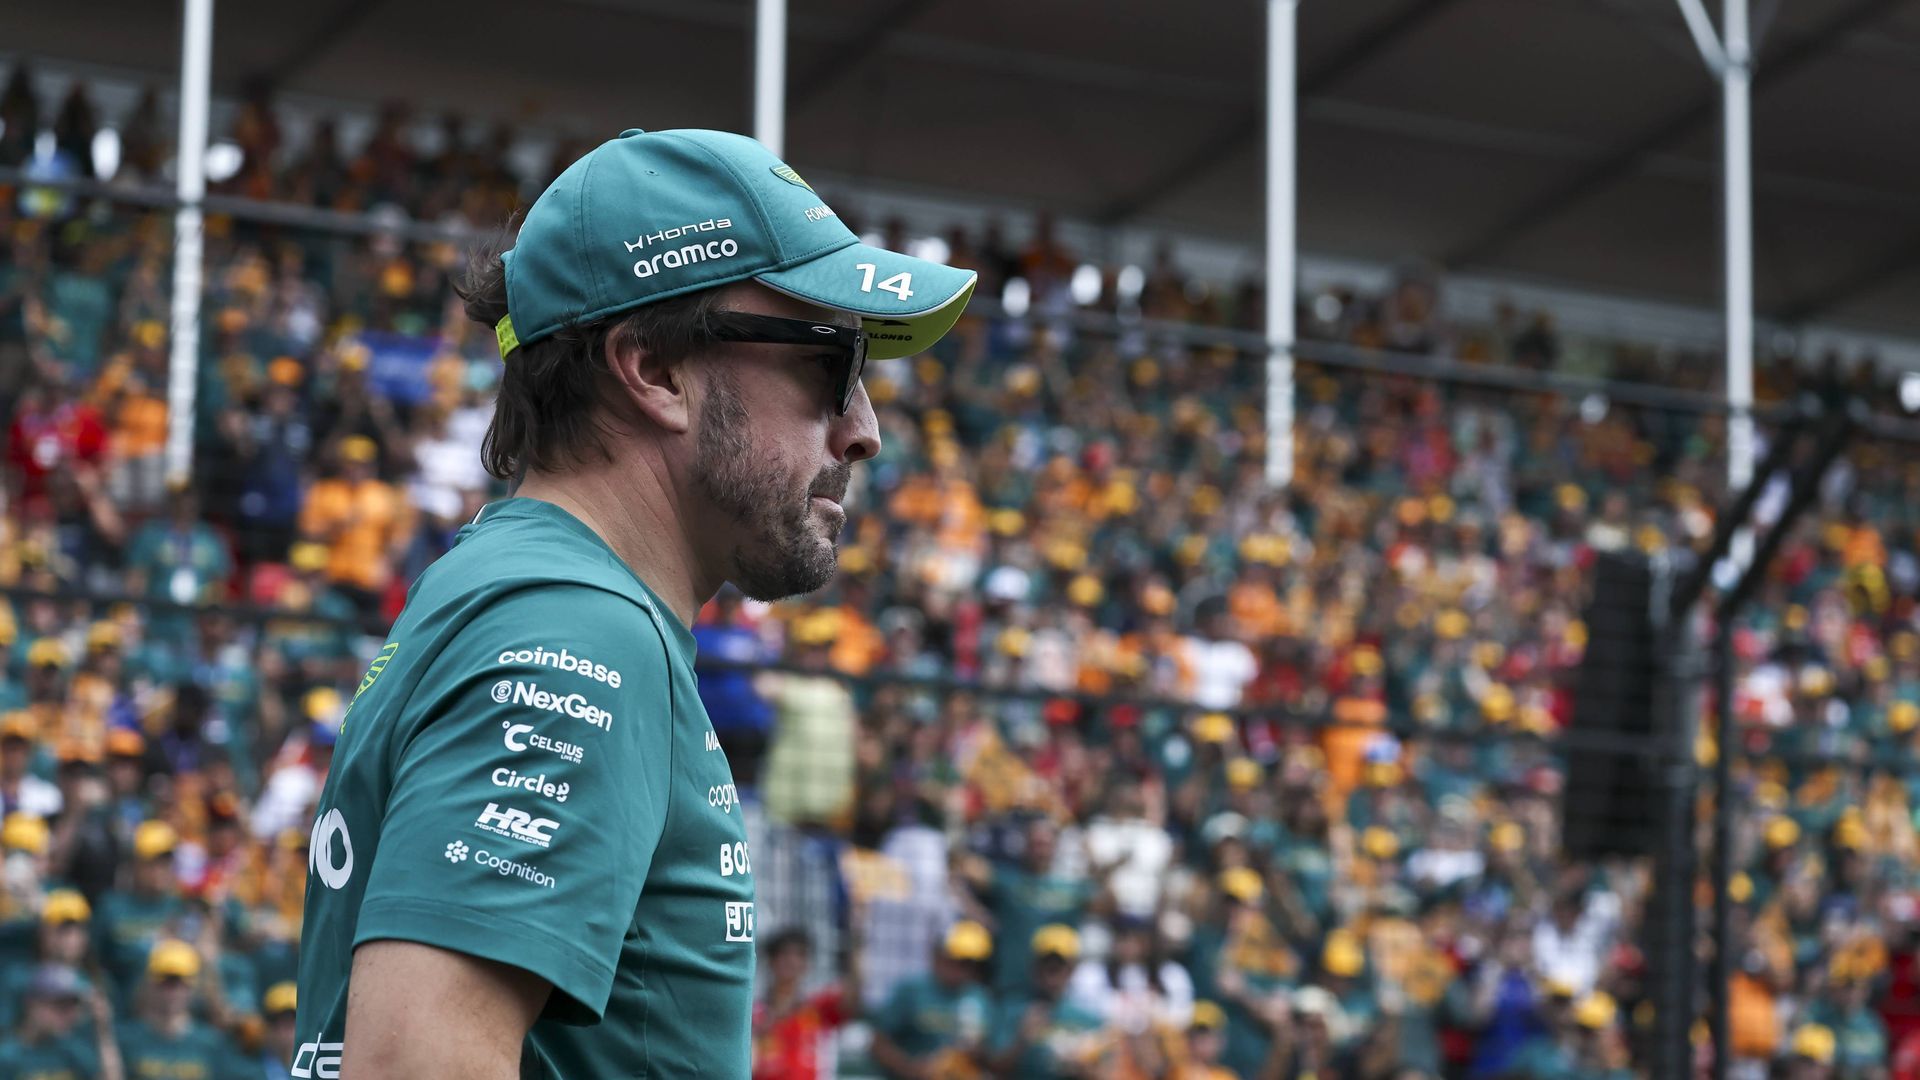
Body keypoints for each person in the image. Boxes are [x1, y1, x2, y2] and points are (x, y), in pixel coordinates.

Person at [294, 126, 976, 1079]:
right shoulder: (575, 628)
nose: (862, 431)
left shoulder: (527, 594)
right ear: (653, 371)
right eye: (831, 364)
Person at [871, 921, 995, 1079]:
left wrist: (976, 1052)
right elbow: (877, 1044)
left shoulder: (979, 997)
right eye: (956, 959)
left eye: (969, 963)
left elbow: (991, 1055)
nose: (961, 969)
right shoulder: (912, 989)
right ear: (939, 956)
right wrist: (910, 1068)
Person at [986, 924, 1105, 1079]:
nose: (1051, 978)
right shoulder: (1011, 1010)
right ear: (1034, 967)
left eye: (1058, 969)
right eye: (1046, 967)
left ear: (1072, 970)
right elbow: (994, 1068)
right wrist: (1021, 1040)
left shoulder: (1090, 1021)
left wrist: (1082, 1068)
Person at [751, 927, 854, 1080]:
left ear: (806, 964)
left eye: (799, 955)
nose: (791, 961)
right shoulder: (754, 1014)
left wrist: (856, 948)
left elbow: (851, 999)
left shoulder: (818, 1008)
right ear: (771, 960)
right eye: (784, 954)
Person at [0, 964, 122, 1080]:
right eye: (61, 1005)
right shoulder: (7, 1056)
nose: (70, 1015)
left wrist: (102, 1029)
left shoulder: (72, 1050)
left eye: (73, 1007)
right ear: (33, 1004)